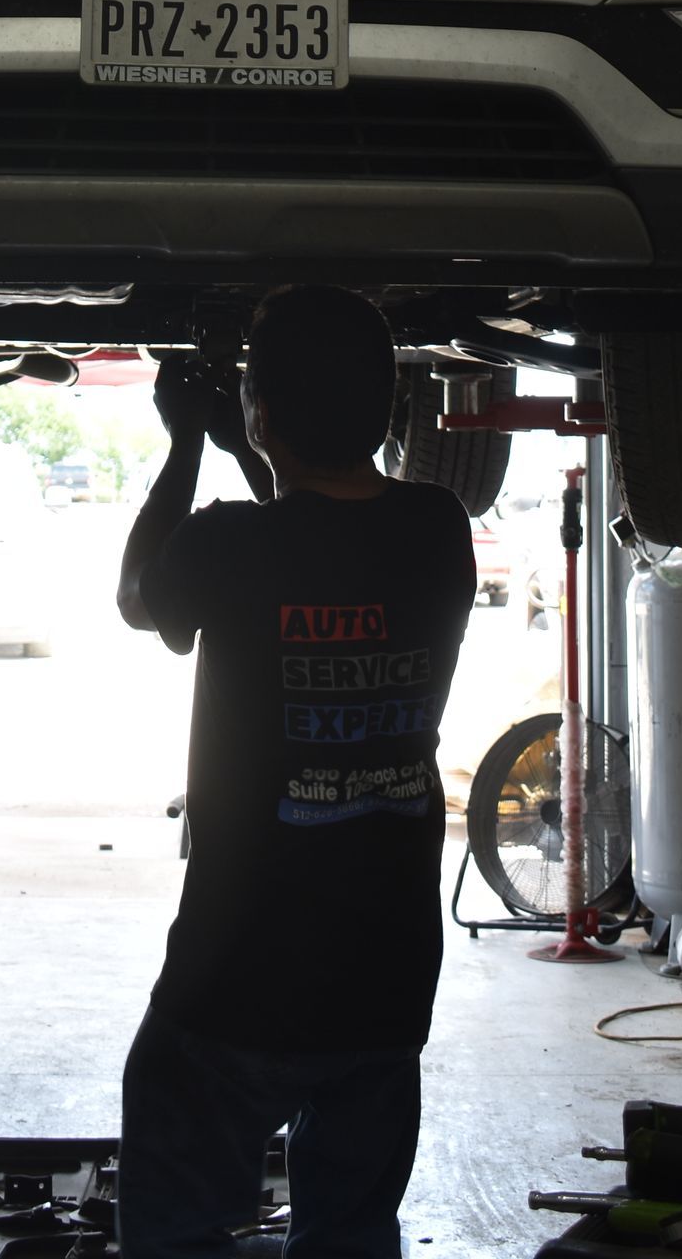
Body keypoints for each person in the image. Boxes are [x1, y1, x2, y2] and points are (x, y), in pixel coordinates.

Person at [115, 287, 477, 1259]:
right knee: (353, 1231)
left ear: (262, 416)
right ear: (393, 412)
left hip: (241, 977)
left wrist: (188, 441)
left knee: (175, 1220)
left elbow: (140, 599)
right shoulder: (440, 529)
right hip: (389, 979)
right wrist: (244, 433)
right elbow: (312, 531)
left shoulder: (229, 545)